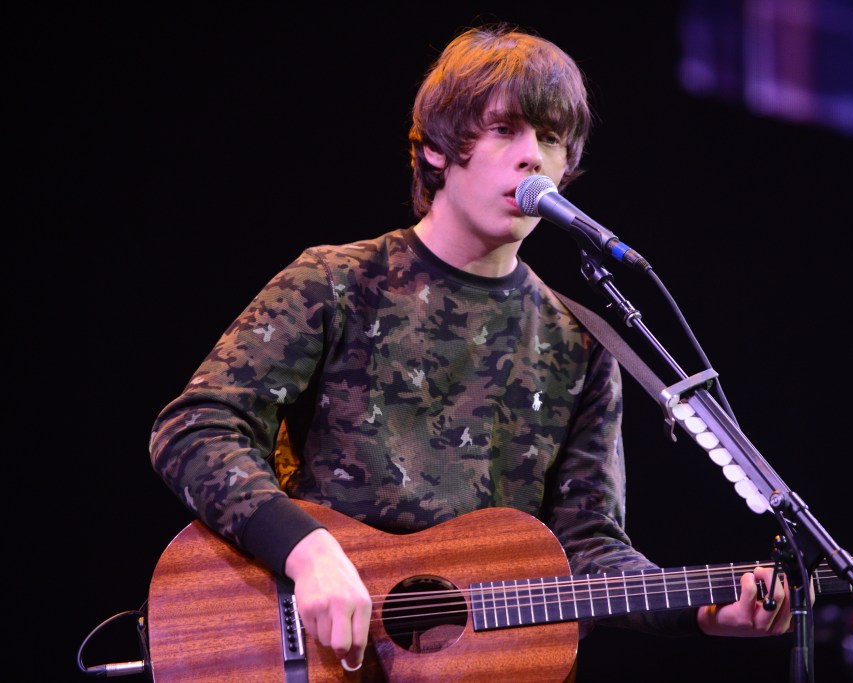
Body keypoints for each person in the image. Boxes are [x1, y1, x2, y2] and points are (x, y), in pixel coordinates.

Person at [150, 23, 802, 674]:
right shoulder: (338, 281)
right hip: (318, 651)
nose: (532, 157)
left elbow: (588, 547)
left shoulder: (581, 342)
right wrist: (305, 549)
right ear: (437, 148)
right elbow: (195, 427)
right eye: (505, 130)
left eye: (550, 139)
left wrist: (698, 608)